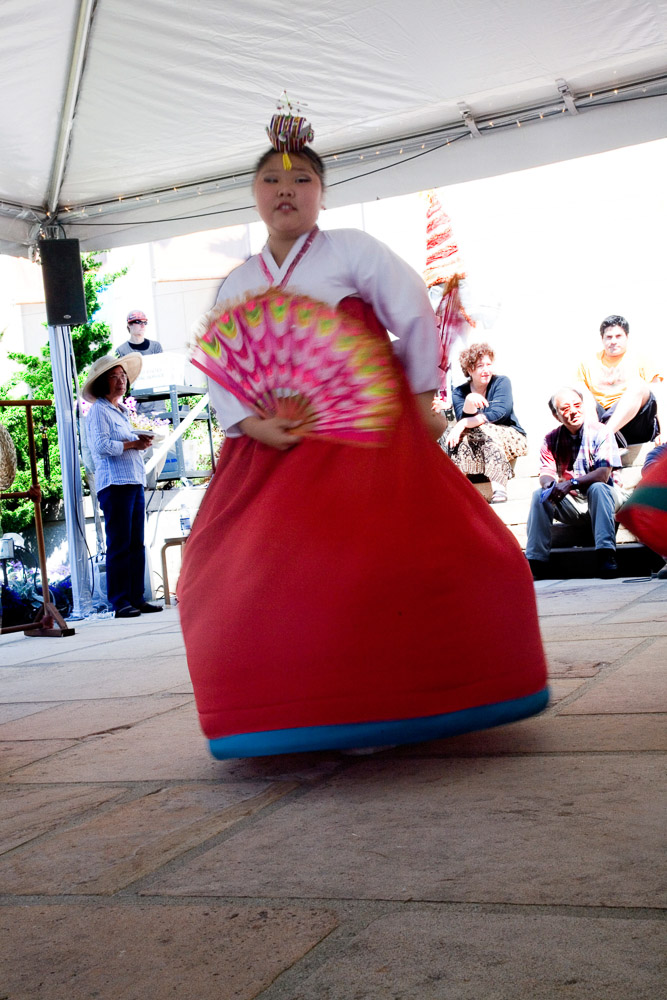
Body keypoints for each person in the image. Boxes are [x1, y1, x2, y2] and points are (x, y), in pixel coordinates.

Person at [176, 122, 548, 758]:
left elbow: (411, 312)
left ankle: (391, 702)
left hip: (362, 438)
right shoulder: (239, 281)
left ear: (322, 192)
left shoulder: (352, 250)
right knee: (225, 573)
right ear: (254, 193)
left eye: (302, 179)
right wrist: (248, 422)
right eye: (271, 179)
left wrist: (422, 395)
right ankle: (294, 707)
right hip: (269, 445)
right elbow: (222, 362)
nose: (285, 189)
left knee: (377, 559)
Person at [83, 355, 163, 618]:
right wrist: (132, 444)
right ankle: (120, 601)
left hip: (133, 480)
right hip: (115, 483)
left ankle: (136, 596)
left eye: (123, 376)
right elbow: (101, 447)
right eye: (114, 376)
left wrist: (139, 440)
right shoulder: (99, 411)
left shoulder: (122, 411)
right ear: (102, 383)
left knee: (136, 542)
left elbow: (122, 443)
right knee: (119, 542)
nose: (121, 381)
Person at [525, 387, 626, 580]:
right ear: (556, 415)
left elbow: (603, 474)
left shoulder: (602, 432)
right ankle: (536, 562)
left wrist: (571, 483)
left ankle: (606, 555)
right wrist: (549, 486)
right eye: (565, 408)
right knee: (540, 495)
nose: (573, 411)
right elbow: (546, 473)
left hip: (606, 499)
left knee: (598, 487)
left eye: (577, 405)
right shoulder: (550, 439)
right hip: (574, 503)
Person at [446, 342, 528, 503]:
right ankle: (456, 488)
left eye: (488, 364)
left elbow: (500, 413)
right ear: (470, 369)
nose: (486, 370)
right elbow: (464, 418)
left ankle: (499, 487)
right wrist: (469, 402)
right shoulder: (460, 392)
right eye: (480, 366)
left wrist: (463, 423)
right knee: (453, 437)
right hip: (477, 440)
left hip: (511, 435)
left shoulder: (501, 382)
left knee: (485, 430)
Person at [575, 315, 662, 446]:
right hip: (602, 419)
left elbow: (660, 396)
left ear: (627, 337)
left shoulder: (641, 359)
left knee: (638, 385)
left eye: (618, 336)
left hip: (636, 422)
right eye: (609, 337)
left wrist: (665, 431)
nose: (613, 341)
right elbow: (582, 401)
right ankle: (593, 436)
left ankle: (602, 438)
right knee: (580, 392)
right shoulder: (587, 363)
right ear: (602, 339)